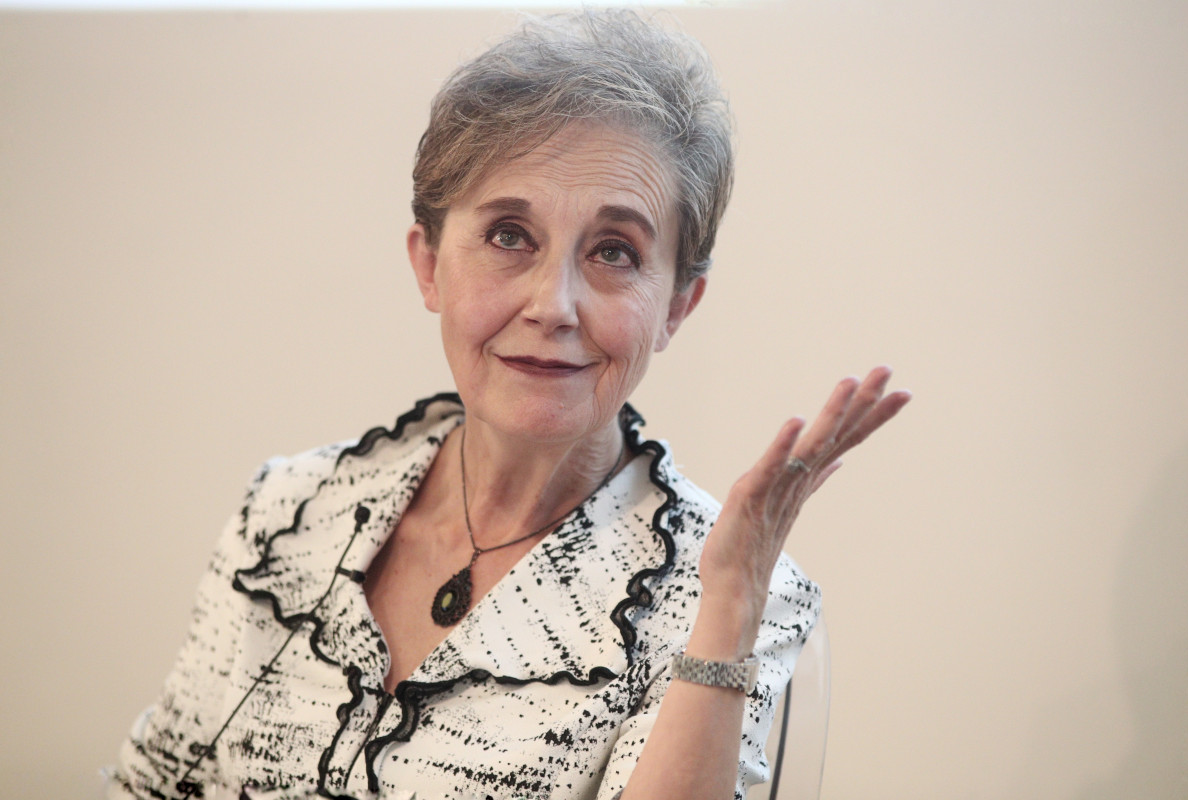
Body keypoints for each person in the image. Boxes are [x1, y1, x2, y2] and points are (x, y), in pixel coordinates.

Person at [105, 10, 909, 800]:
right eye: (509, 236)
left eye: (614, 251)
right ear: (429, 265)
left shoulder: (725, 592)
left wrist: (729, 602)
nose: (552, 306)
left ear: (675, 307)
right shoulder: (289, 511)